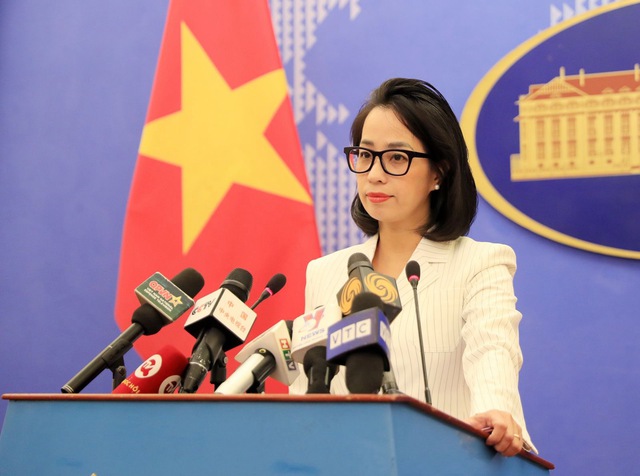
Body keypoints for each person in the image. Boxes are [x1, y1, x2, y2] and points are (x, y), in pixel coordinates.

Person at [289, 78, 536, 456]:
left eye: (396, 158)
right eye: (365, 154)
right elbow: (306, 389)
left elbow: (492, 349)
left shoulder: (479, 264)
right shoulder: (325, 273)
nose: (374, 173)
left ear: (439, 172)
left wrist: (495, 410)